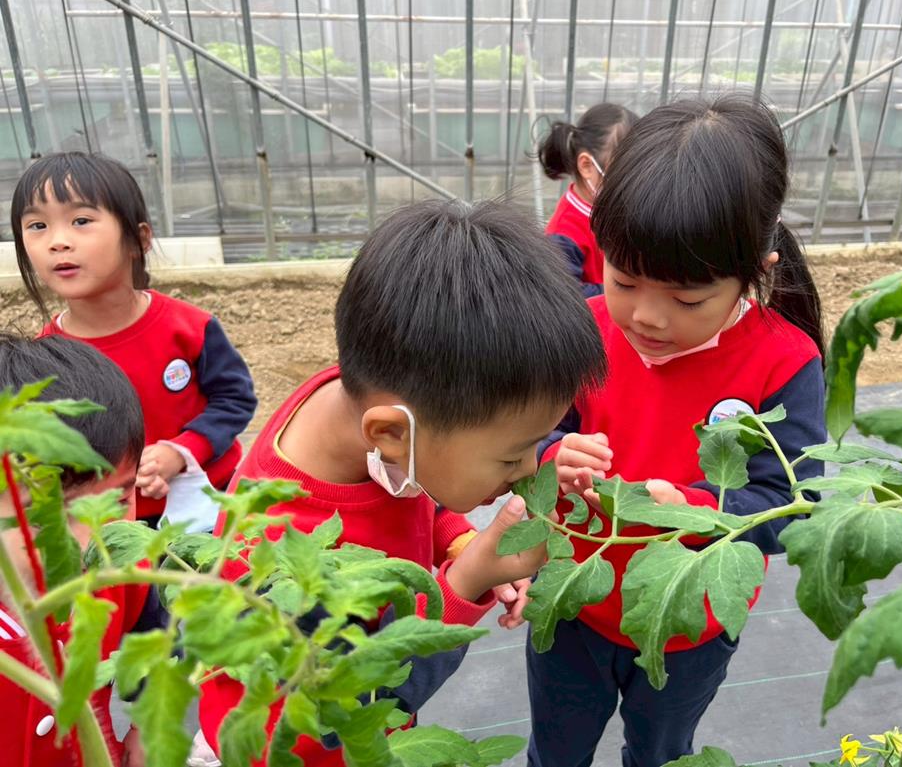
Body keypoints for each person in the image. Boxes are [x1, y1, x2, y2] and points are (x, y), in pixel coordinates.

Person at [194, 199, 608, 766]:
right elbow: (346, 711)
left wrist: (459, 539)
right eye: (511, 456)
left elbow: (415, 491)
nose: (527, 472)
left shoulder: (362, 413)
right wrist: (465, 582)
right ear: (390, 432)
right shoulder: (278, 554)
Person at [528, 95, 828, 767]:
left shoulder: (783, 362)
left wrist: (692, 509)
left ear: (756, 273)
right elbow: (532, 436)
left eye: (687, 298)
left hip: (691, 623)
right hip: (575, 605)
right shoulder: (586, 329)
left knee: (660, 752)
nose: (648, 317)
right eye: (624, 281)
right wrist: (552, 454)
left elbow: (794, 506)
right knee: (555, 751)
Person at [11, 152, 257, 528]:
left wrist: (182, 451)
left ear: (138, 240)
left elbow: (234, 400)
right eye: (37, 226)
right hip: (112, 523)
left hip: (210, 501)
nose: (57, 242)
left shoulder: (190, 328)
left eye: (81, 221)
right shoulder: (45, 360)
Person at [0, 332, 165, 767]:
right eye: (47, 516)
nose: (91, 542)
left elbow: (154, 641)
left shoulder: (124, 572)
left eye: (120, 499)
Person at [538, 103, 638, 296]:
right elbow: (566, 294)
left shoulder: (617, 207)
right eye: (624, 173)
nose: (632, 182)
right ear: (586, 166)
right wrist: (625, 290)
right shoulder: (564, 233)